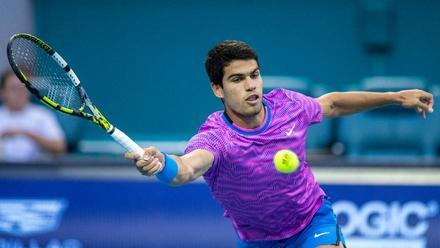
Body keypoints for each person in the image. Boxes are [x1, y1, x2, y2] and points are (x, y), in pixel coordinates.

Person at [125, 40, 434, 247]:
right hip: (257, 240)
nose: (251, 86)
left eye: (254, 75)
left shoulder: (288, 106)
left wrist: (395, 97)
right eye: (237, 79)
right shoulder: (216, 137)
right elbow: (186, 169)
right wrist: (161, 163)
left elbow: (334, 104)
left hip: (311, 221)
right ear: (218, 89)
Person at [0, 69, 66, 162]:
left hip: (36, 172)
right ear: (2, 93)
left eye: (23, 88)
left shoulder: (42, 115)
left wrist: (27, 134)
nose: (20, 93)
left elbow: (60, 147)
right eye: (14, 89)